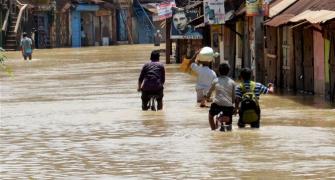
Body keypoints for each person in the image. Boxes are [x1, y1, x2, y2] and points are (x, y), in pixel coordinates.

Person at [207, 63, 236, 131]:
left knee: (210, 116)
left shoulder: (215, 80)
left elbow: (209, 92)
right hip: (228, 106)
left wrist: (207, 97)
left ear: (218, 71)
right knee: (229, 126)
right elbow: (234, 98)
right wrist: (233, 106)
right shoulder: (232, 82)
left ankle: (213, 129)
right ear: (228, 71)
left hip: (217, 105)